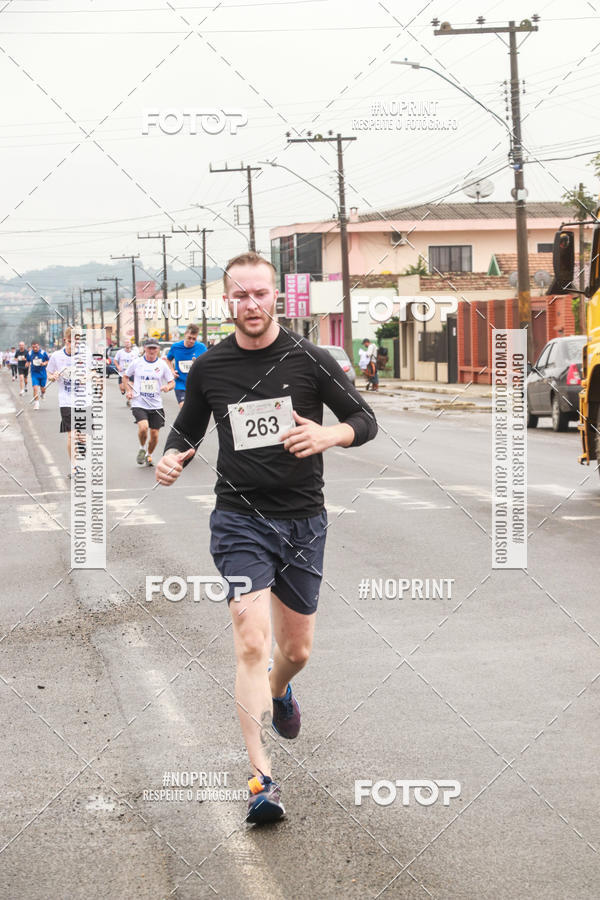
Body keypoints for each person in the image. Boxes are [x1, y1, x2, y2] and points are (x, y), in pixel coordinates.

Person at [155, 251, 377, 824]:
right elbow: (185, 430)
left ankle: (280, 691)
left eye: (260, 294)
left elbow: (365, 421)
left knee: (296, 651)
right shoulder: (209, 368)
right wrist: (171, 458)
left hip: (303, 519)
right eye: (240, 296)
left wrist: (329, 436)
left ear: (276, 296)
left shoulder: (311, 358)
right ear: (226, 302)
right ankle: (261, 779)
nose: (250, 305)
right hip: (239, 520)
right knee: (250, 641)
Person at [47, 327, 93, 473]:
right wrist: (52, 377)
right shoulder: (56, 356)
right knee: (71, 434)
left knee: (83, 436)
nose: (73, 344)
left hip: (84, 399)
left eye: (76, 341)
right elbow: (49, 373)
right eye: (70, 341)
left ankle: (82, 443)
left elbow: (94, 371)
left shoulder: (86, 354)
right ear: (65, 340)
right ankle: (73, 467)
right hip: (66, 400)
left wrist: (87, 377)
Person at [123, 338, 174, 467]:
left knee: (155, 434)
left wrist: (167, 387)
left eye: (154, 348)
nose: (152, 350)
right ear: (144, 348)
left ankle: (149, 455)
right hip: (139, 402)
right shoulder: (137, 362)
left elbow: (171, 381)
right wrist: (128, 390)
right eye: (149, 348)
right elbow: (125, 376)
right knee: (143, 427)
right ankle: (142, 448)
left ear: (158, 350)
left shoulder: (162, 365)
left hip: (156, 404)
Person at [166, 324, 207, 407]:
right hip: (180, 384)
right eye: (189, 338)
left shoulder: (201, 347)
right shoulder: (176, 347)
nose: (191, 341)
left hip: (196, 385)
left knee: (195, 411)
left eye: (194, 339)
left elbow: (208, 361)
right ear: (185, 334)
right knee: (184, 407)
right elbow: (168, 360)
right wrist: (172, 370)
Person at [114, 339, 139, 406]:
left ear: (131, 344)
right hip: (122, 373)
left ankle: (129, 400)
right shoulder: (120, 352)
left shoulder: (134, 352)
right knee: (122, 387)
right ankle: (125, 390)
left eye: (128, 342)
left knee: (130, 386)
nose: (127, 344)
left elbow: (138, 362)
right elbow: (115, 360)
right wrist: (118, 366)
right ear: (124, 344)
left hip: (132, 373)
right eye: (126, 342)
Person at [27, 341, 49, 409]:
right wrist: (27, 364)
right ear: (31, 347)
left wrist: (44, 363)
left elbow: (48, 360)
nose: (35, 348)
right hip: (34, 373)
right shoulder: (30, 353)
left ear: (38, 346)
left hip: (42, 373)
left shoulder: (43, 353)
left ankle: (42, 394)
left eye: (36, 347)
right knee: (35, 388)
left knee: (43, 389)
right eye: (33, 347)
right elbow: (28, 361)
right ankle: (36, 403)